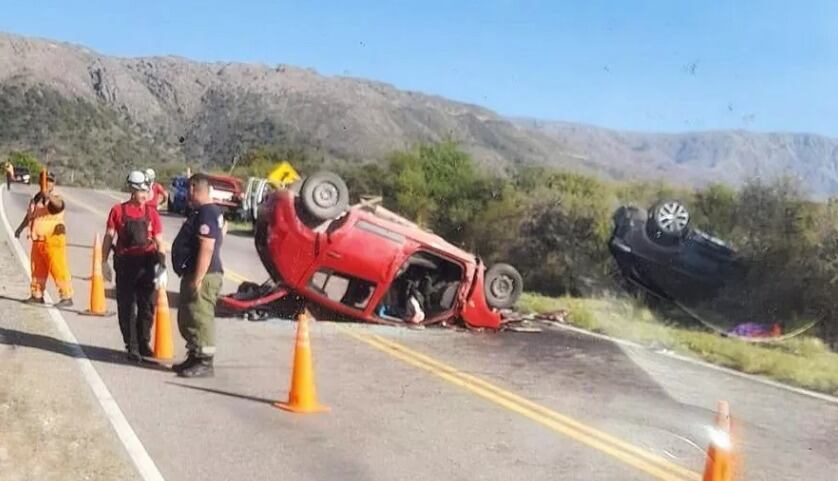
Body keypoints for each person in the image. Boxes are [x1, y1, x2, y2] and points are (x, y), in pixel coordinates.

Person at [102, 171, 166, 361]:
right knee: (127, 306)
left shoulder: (151, 213)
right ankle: (132, 345)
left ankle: (143, 342)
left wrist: (161, 266)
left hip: (147, 262)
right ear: (131, 189)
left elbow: (160, 241)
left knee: (146, 306)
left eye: (146, 190)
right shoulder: (118, 211)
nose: (144, 194)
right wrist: (103, 261)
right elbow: (108, 237)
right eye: (140, 190)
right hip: (125, 265)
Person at [171, 173, 225, 377]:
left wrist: (199, 277)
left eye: (188, 190)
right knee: (189, 316)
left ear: (193, 188)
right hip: (195, 271)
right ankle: (194, 355)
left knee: (200, 317)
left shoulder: (207, 212)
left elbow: (207, 246)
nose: (186, 194)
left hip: (204, 274)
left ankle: (205, 361)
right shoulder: (204, 211)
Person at [14, 172, 73, 306]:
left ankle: (66, 296)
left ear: (54, 184)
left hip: (53, 241)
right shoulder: (36, 199)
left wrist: (48, 196)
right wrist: (20, 228)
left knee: (58, 269)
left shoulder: (55, 198)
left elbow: (58, 205)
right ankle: (37, 295)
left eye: (50, 181)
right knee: (37, 271)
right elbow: (30, 215)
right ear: (40, 183)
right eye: (45, 181)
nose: (47, 184)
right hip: (38, 241)